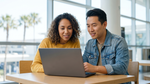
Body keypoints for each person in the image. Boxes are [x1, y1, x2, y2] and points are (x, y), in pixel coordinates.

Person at [82, 8, 130, 84]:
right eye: (88, 26)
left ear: (104, 24)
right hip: (95, 81)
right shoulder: (89, 43)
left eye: (94, 25)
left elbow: (122, 68)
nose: (90, 30)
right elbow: (82, 64)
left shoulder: (119, 41)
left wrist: (95, 68)